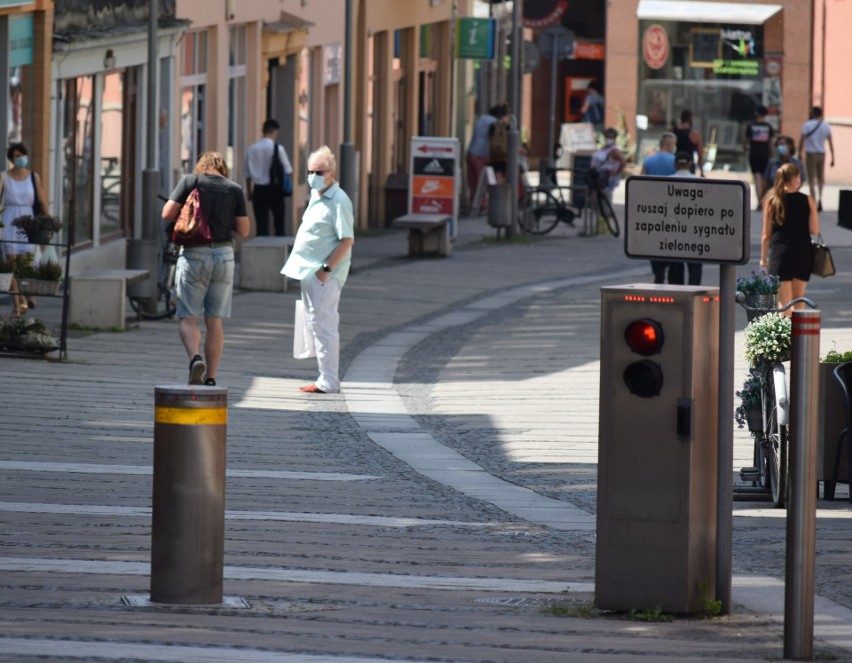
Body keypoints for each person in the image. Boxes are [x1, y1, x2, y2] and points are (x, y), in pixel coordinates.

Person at [161, 151, 250, 386]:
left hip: (194, 255)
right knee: (215, 321)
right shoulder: (234, 189)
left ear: (202, 166)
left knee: (187, 317)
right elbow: (244, 230)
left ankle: (194, 358)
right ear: (223, 168)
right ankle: (211, 376)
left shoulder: (190, 181)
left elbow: (167, 214)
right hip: (223, 255)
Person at [282, 145, 355, 395]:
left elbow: (347, 240)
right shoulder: (316, 195)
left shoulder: (338, 200)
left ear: (332, 173)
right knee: (315, 323)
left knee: (324, 324)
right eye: (310, 171)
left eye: (319, 171)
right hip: (309, 271)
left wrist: (326, 269)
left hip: (325, 273)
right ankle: (324, 376)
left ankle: (329, 380)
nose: (314, 176)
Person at [760, 162, 819, 312]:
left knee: (784, 303)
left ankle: (785, 335)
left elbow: (766, 234)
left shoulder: (772, 201)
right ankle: (799, 335)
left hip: (780, 254)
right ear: (795, 179)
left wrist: (763, 259)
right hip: (803, 252)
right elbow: (814, 230)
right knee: (799, 298)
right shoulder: (808, 200)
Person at [1, 142, 48, 316]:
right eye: (16, 156)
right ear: (11, 159)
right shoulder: (4, 177)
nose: (20, 158)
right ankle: (17, 303)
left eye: (22, 155)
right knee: (11, 263)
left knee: (25, 265)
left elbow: (42, 201)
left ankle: (25, 298)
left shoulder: (33, 177)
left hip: (28, 222)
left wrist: (47, 223)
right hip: (9, 220)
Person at [244, 118, 293, 236]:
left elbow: (247, 174)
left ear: (263, 130)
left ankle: (261, 252)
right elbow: (288, 170)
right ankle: (279, 250)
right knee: (279, 222)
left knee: (261, 224)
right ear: (274, 131)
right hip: (275, 189)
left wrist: (250, 192)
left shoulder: (251, 149)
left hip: (259, 190)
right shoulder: (278, 149)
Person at [644, 137, 679, 284]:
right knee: (672, 240)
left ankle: (658, 272)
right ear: (670, 144)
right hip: (673, 208)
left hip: (653, 207)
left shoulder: (648, 160)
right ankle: (671, 270)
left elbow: (641, 182)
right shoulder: (675, 161)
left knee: (655, 240)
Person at [673, 152, 703, 285]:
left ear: (675, 164)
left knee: (676, 269)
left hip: (672, 230)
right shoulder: (699, 182)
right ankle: (694, 297)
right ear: (690, 163)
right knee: (695, 268)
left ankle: (677, 297)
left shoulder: (666, 180)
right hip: (694, 230)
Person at [798, 106, 835, 212]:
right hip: (822, 154)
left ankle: (813, 200)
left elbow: (802, 140)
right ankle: (820, 199)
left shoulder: (807, 125)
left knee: (811, 178)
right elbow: (830, 142)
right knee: (820, 178)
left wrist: (800, 153)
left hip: (811, 154)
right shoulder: (826, 126)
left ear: (812, 113)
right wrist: (833, 157)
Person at [466, 104, 504, 207]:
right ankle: (481, 204)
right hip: (481, 154)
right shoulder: (494, 123)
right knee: (481, 182)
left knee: (473, 181)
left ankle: (473, 203)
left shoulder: (482, 119)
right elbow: (497, 140)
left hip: (471, 152)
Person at [743, 105, 775, 210]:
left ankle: (759, 201)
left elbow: (745, 142)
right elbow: (771, 143)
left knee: (757, 178)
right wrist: (773, 155)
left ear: (757, 113)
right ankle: (762, 200)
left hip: (754, 154)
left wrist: (746, 148)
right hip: (765, 155)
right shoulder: (768, 127)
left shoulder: (751, 126)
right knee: (764, 179)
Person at [672, 109, 704, 176]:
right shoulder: (694, 135)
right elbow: (700, 154)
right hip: (689, 165)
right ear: (690, 118)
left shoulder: (673, 132)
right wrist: (701, 172)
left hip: (676, 164)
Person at [487, 105, 511, 183]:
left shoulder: (493, 126)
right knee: (505, 177)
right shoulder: (507, 126)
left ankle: (498, 191)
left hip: (494, 155)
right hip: (504, 155)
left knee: (497, 176)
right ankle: (502, 193)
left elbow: (489, 139)